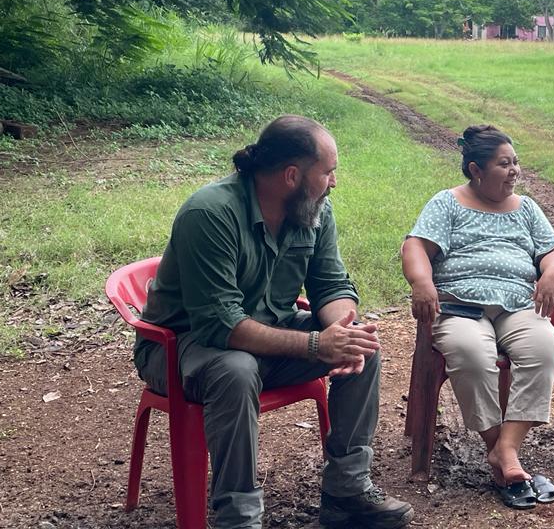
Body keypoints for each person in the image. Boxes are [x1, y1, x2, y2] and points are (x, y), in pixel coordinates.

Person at [134, 115, 414, 529]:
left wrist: (342, 331)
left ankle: (347, 491)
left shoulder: (314, 209)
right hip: (183, 345)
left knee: (363, 350)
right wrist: (317, 346)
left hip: (267, 332)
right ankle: (239, 518)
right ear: (291, 175)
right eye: (328, 172)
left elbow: (331, 284)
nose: (333, 182)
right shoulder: (210, 213)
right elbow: (219, 324)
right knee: (236, 369)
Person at [400, 125, 554, 509]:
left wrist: (553, 272)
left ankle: (503, 451)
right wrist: (422, 281)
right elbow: (415, 246)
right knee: (471, 354)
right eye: (504, 164)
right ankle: (504, 452)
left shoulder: (526, 208)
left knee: (544, 347)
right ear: (476, 170)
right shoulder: (447, 203)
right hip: (461, 305)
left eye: (516, 162)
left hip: (517, 306)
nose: (515, 171)